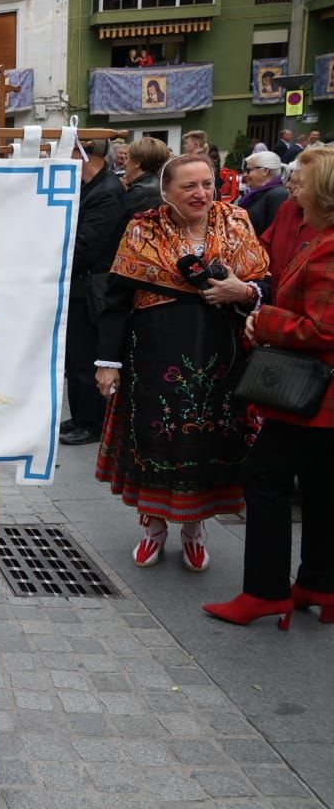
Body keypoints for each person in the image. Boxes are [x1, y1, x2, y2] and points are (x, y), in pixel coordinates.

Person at [94, 154, 269, 571]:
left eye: (207, 184)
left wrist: (242, 293)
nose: (201, 193)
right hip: (154, 358)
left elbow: (264, 285)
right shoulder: (143, 228)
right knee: (157, 443)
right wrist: (107, 362)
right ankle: (154, 526)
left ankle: (194, 529)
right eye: (189, 186)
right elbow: (116, 301)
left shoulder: (236, 222)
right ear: (166, 191)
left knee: (210, 444)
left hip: (222, 361)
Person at [204, 147, 334, 628]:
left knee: (263, 478)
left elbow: (322, 328)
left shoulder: (330, 243)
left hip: (314, 393)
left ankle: (266, 591)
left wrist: (265, 318)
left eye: (302, 181)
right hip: (318, 394)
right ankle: (319, 583)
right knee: (322, 486)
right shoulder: (307, 227)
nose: (292, 186)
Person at [62, 139, 129, 447]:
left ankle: (92, 422)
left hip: (93, 287)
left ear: (84, 153)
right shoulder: (90, 187)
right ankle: (80, 415)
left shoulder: (108, 192)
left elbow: (87, 246)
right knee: (76, 356)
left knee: (87, 355)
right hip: (81, 285)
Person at [261, 155, 323, 281]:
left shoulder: (324, 220)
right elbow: (265, 244)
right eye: (289, 179)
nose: (288, 185)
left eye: (296, 182)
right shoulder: (288, 207)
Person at [237, 150, 288, 236]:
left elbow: (273, 234)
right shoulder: (258, 193)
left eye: (248, 170)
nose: (245, 175)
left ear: (265, 171)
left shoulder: (278, 195)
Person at [121, 136, 169, 217]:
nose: (125, 164)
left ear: (137, 163)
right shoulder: (158, 184)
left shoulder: (140, 192)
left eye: (127, 158)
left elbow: (124, 225)